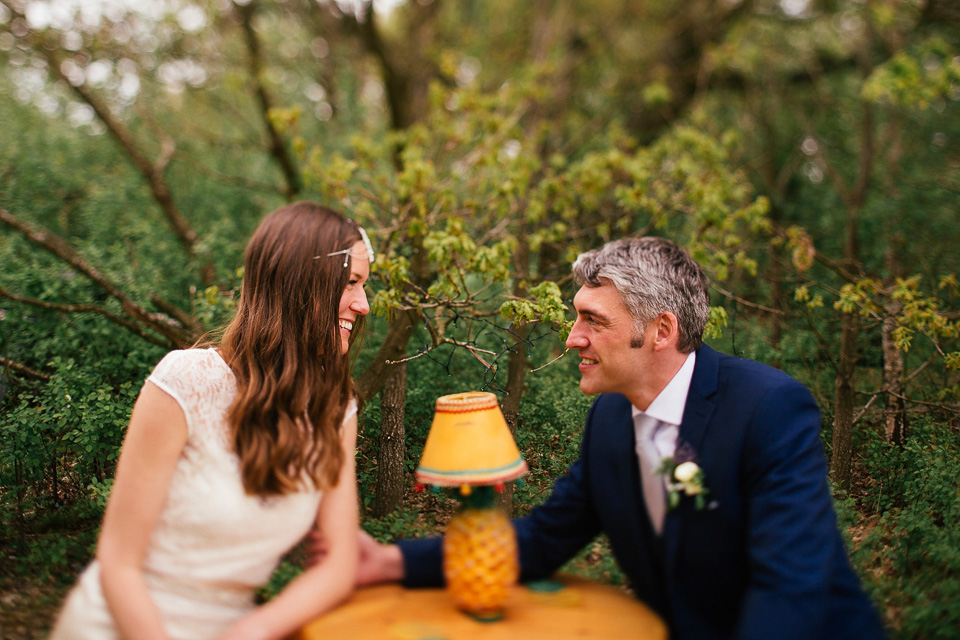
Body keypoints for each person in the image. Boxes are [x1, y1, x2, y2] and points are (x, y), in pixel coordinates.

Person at [353, 237, 886, 640]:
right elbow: (542, 540)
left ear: (661, 330)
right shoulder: (612, 419)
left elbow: (788, 590)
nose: (572, 337)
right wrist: (392, 563)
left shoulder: (767, 409)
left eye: (592, 320)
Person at [51, 201, 373, 640]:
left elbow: (339, 563)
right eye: (352, 283)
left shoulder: (336, 410)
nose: (364, 305)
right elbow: (118, 561)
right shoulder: (184, 382)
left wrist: (257, 628)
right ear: (301, 283)